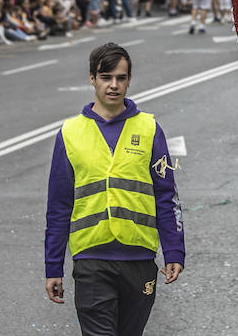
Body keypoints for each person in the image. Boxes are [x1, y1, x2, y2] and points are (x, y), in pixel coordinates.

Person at [44, 42, 185, 336]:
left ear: (129, 79)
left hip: (139, 259)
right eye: (106, 77)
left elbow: (166, 196)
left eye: (121, 78)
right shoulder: (70, 134)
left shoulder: (148, 129)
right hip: (91, 259)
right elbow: (59, 207)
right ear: (92, 78)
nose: (114, 85)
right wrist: (53, 267)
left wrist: (174, 251)